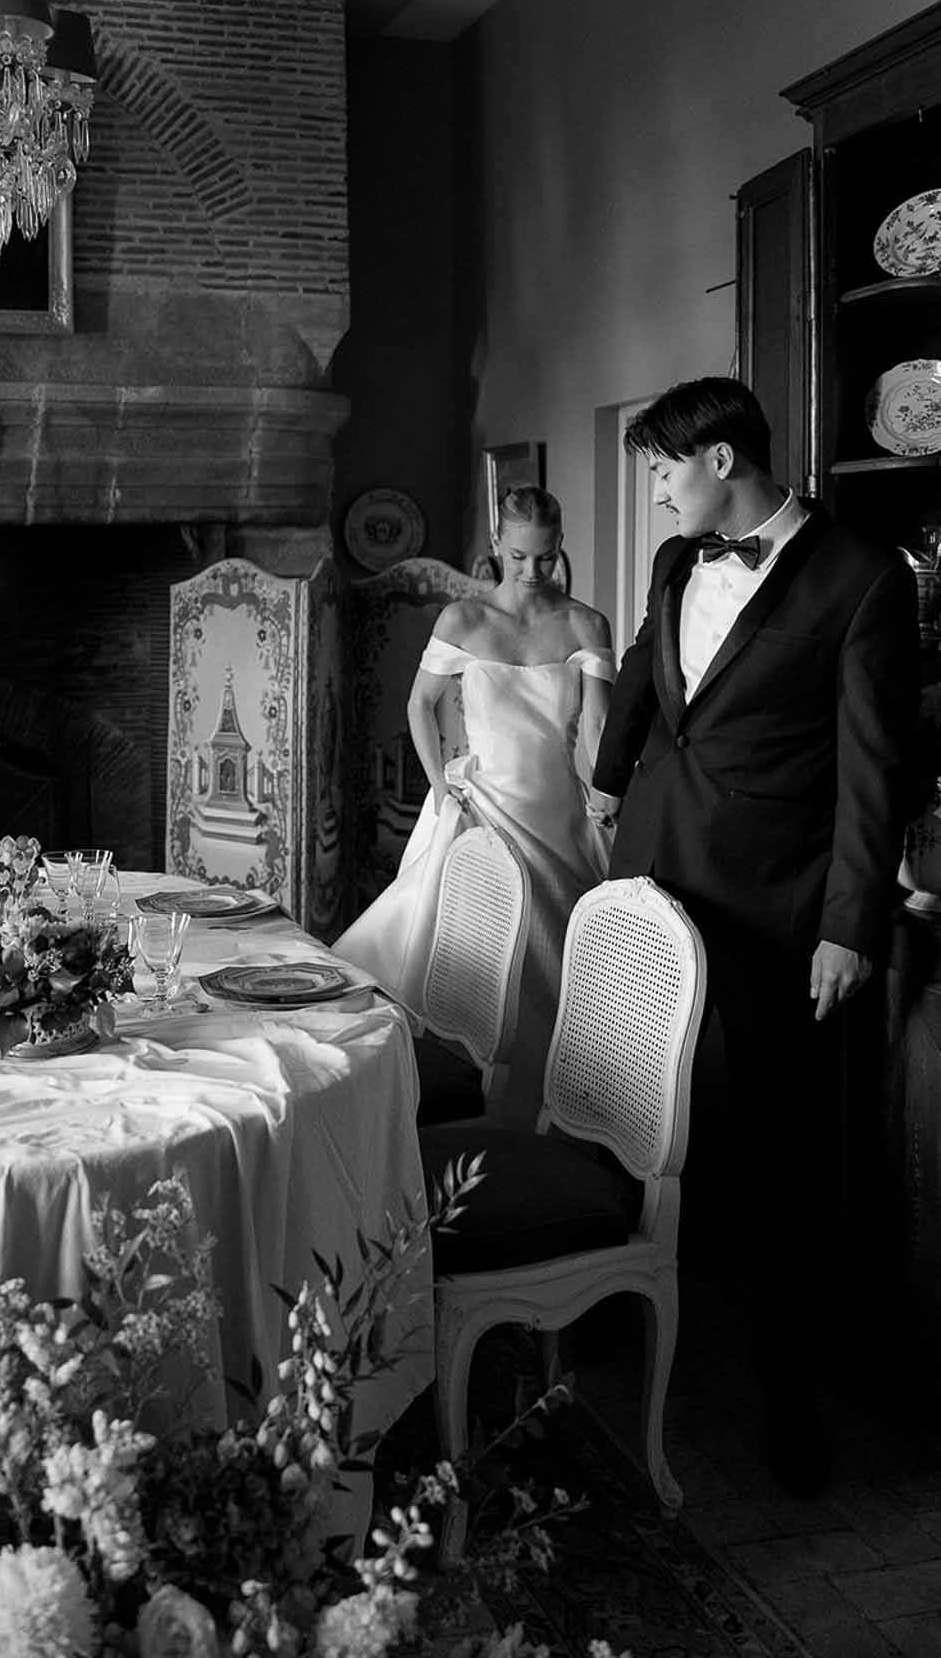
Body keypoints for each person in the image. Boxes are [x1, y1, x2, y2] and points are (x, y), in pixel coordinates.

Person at [589, 376, 919, 1494]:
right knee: (626, 1097)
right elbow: (647, 667)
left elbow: (875, 768)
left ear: (723, 459)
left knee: (781, 1151)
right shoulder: (677, 560)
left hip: (777, 904)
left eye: (662, 468)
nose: (655, 489)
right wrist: (602, 780)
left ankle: (788, 1398)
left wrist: (848, 922)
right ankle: (603, 1307)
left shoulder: (861, 575)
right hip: (650, 870)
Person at [335, 485, 615, 1129]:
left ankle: (565, 1109)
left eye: (545, 557)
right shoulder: (463, 620)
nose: (532, 572)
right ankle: (463, 1105)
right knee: (470, 956)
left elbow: (599, 732)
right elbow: (418, 705)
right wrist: (439, 785)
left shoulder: (585, 624)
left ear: (559, 547)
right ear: (496, 544)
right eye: (518, 556)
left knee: (563, 960)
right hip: (482, 807)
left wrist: (606, 799)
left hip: (558, 812)